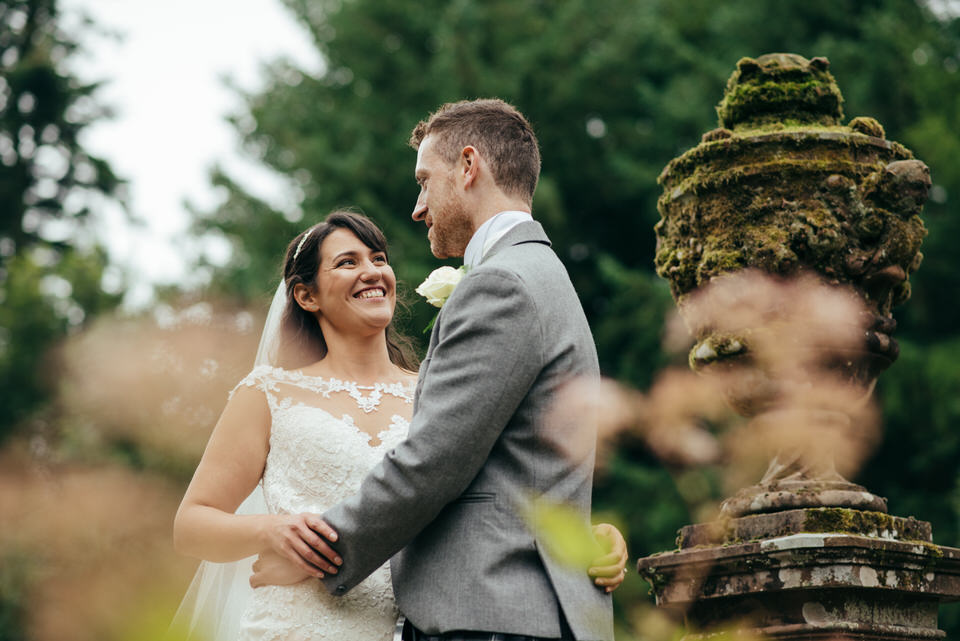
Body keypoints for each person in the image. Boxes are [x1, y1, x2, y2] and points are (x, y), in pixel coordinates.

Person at [171, 211, 627, 641]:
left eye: (379, 259)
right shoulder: (269, 394)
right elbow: (191, 525)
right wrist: (270, 531)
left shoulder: (435, 393)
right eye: (347, 263)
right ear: (306, 295)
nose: (372, 272)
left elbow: (500, 493)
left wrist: (588, 538)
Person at [294, 99, 617, 641]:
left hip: (492, 617)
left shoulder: (503, 285)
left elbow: (434, 460)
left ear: (469, 167)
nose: (418, 208)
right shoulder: (541, 274)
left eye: (424, 182)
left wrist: (325, 551)